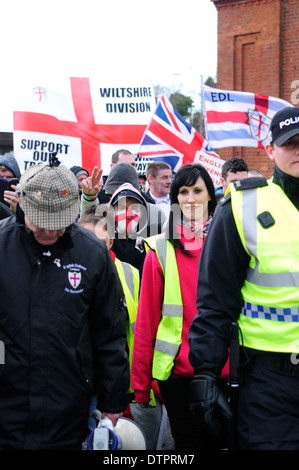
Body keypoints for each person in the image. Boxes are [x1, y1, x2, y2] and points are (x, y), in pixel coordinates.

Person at [188, 106, 299, 450]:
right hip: (270, 382)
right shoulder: (241, 206)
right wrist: (206, 372)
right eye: (291, 143)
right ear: (270, 150)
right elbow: (215, 302)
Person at [0, 157, 130, 450]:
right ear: (21, 205)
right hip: (6, 409)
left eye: (57, 223)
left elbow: (109, 333)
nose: (48, 231)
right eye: (40, 223)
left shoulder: (92, 253)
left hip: (68, 409)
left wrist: (112, 400)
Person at [131, 163, 228, 451]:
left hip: (227, 371)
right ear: (174, 200)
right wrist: (140, 384)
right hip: (178, 376)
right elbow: (146, 321)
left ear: (210, 195)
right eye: (183, 192)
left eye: (197, 190)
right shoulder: (160, 249)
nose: (191, 199)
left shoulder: (231, 245)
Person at [79, 205, 165, 450]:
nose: (93, 249)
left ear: (111, 241)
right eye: (86, 241)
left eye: (100, 242)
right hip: (81, 384)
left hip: (122, 384)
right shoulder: (68, 276)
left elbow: (146, 330)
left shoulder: (132, 274)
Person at [81, 163, 167, 270]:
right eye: (122, 208)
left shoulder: (149, 242)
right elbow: (90, 223)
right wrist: (89, 197)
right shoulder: (109, 239)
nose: (129, 214)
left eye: (134, 208)